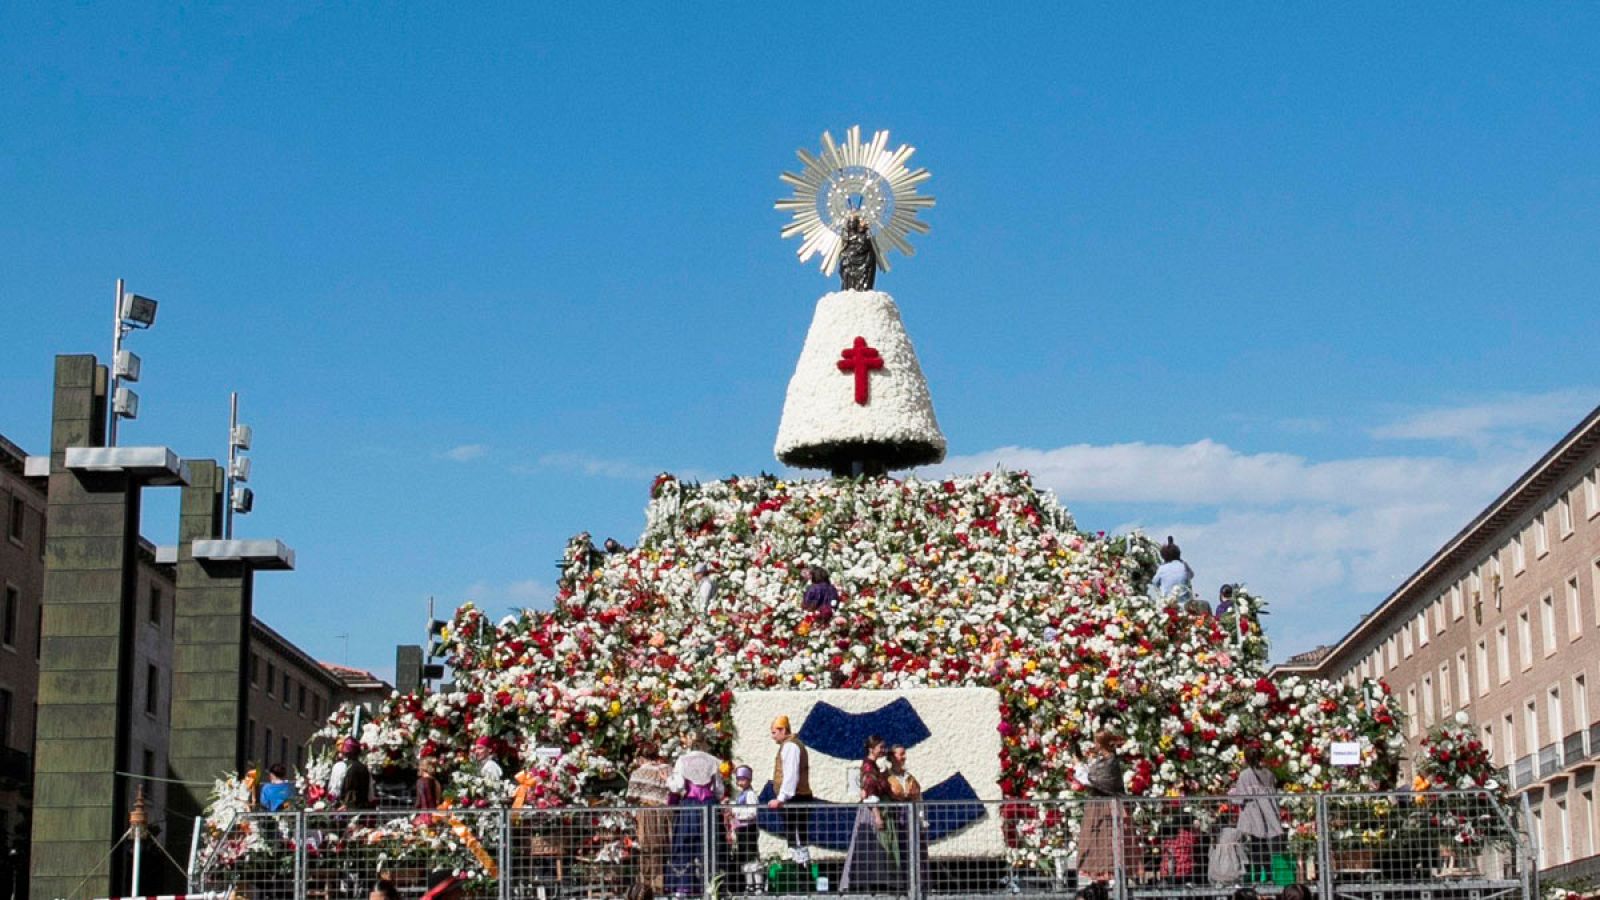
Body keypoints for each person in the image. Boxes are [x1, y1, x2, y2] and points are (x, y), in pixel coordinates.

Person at [841, 735, 905, 893]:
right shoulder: (869, 767)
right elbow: (870, 793)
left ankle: (881, 883)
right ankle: (873, 885)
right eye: (880, 747)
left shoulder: (875, 766)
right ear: (871, 749)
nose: (883, 749)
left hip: (880, 809)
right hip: (874, 812)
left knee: (880, 848)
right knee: (876, 847)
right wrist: (877, 815)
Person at [666, 735, 725, 895]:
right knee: (709, 844)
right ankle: (710, 886)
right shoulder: (713, 761)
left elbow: (677, 786)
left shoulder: (683, 760)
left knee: (685, 843)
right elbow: (719, 789)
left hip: (690, 806)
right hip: (709, 804)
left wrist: (668, 781)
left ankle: (683, 887)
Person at [1077, 730, 1136, 886]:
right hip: (1097, 806)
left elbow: (1097, 780)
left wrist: (1082, 772)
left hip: (1108, 807)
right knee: (1096, 841)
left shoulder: (1111, 762)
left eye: (1097, 742)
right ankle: (1100, 877)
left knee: (1110, 840)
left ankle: (1113, 878)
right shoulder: (1102, 760)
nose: (1094, 745)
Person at [1229, 745, 1284, 884]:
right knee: (1266, 847)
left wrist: (1231, 794)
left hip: (1253, 815)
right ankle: (1270, 876)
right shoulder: (1269, 774)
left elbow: (1240, 797)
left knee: (1255, 847)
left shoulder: (1245, 775)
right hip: (1269, 814)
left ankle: (1258, 877)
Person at [766, 715, 814, 863]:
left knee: (797, 838)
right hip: (795, 797)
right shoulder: (790, 745)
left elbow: (791, 775)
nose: (772, 736)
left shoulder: (790, 746)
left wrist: (781, 798)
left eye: (774, 732)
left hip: (796, 798)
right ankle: (799, 865)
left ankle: (802, 870)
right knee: (794, 837)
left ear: (783, 730)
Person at [628, 746, 674, 893]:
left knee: (648, 847)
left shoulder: (639, 772)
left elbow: (631, 795)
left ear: (641, 757)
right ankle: (667, 882)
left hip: (647, 813)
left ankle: (649, 885)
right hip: (666, 813)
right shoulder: (668, 769)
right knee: (666, 846)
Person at [724, 765, 763, 893]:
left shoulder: (750, 795)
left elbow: (753, 812)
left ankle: (758, 884)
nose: (740, 782)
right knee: (744, 857)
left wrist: (738, 814)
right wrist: (731, 809)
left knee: (752, 856)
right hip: (741, 830)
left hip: (749, 829)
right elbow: (737, 807)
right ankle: (749, 883)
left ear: (749, 780)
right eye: (738, 779)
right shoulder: (741, 795)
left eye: (743, 779)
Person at [839, 214, 878, 291]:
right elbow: (844, 250)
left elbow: (864, 247)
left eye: (853, 222)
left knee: (861, 281)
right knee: (846, 272)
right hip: (849, 263)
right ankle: (847, 289)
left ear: (856, 224)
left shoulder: (862, 236)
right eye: (849, 222)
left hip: (862, 262)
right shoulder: (846, 237)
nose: (851, 224)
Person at [337, 738, 374, 810]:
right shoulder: (364, 768)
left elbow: (334, 791)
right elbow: (370, 794)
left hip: (342, 810)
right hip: (362, 810)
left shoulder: (340, 766)